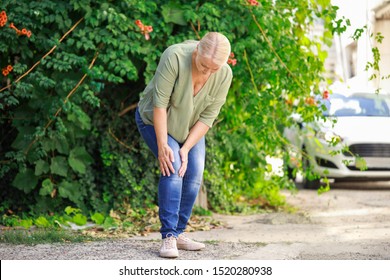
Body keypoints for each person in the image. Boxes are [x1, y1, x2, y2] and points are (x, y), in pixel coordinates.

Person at [135, 32, 233, 258]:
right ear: (196, 50)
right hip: (155, 120)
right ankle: (168, 237)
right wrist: (162, 146)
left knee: (194, 172)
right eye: (203, 65)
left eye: (214, 68)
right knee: (172, 165)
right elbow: (160, 105)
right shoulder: (175, 57)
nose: (207, 72)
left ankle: (179, 233)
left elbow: (208, 117)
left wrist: (187, 147)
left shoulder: (224, 74)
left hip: (188, 128)